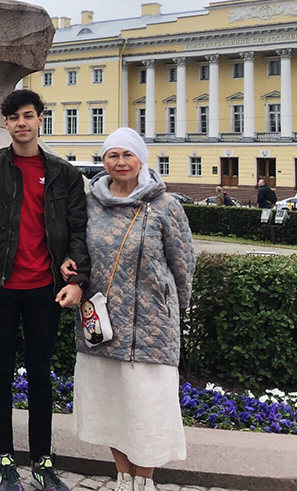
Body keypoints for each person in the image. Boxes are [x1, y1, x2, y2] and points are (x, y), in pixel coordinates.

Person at [0, 90, 89, 491]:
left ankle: (43, 460)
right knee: (1, 373)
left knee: (41, 374)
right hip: (0, 286)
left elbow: (78, 231)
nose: (21, 123)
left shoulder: (63, 173)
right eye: (13, 118)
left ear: (41, 119)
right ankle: (5, 459)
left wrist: (76, 277)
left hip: (45, 287)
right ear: (5, 123)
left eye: (28, 116)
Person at [72, 127, 195, 491]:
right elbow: (78, 252)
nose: (121, 162)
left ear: (141, 159)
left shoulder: (165, 206)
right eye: (113, 155)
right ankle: (123, 476)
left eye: (128, 155)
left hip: (151, 325)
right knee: (111, 405)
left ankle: (145, 480)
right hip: (103, 322)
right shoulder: (91, 204)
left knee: (148, 408)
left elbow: (183, 264)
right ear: (104, 161)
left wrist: (177, 310)